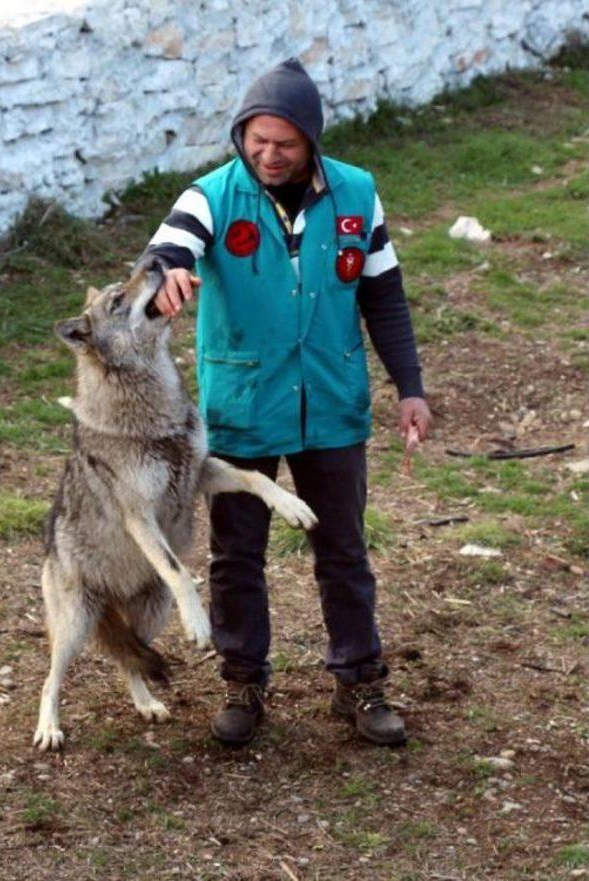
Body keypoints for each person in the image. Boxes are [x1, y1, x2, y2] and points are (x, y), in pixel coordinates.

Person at [134, 58, 431, 747]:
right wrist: (168, 273)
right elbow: (164, 253)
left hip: (332, 404)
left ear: (311, 141)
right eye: (255, 140)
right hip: (243, 405)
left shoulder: (358, 194)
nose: (267, 155)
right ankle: (243, 681)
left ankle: (360, 683)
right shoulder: (210, 196)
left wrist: (409, 386)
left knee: (344, 549)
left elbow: (383, 294)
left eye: (284, 144)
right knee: (238, 553)